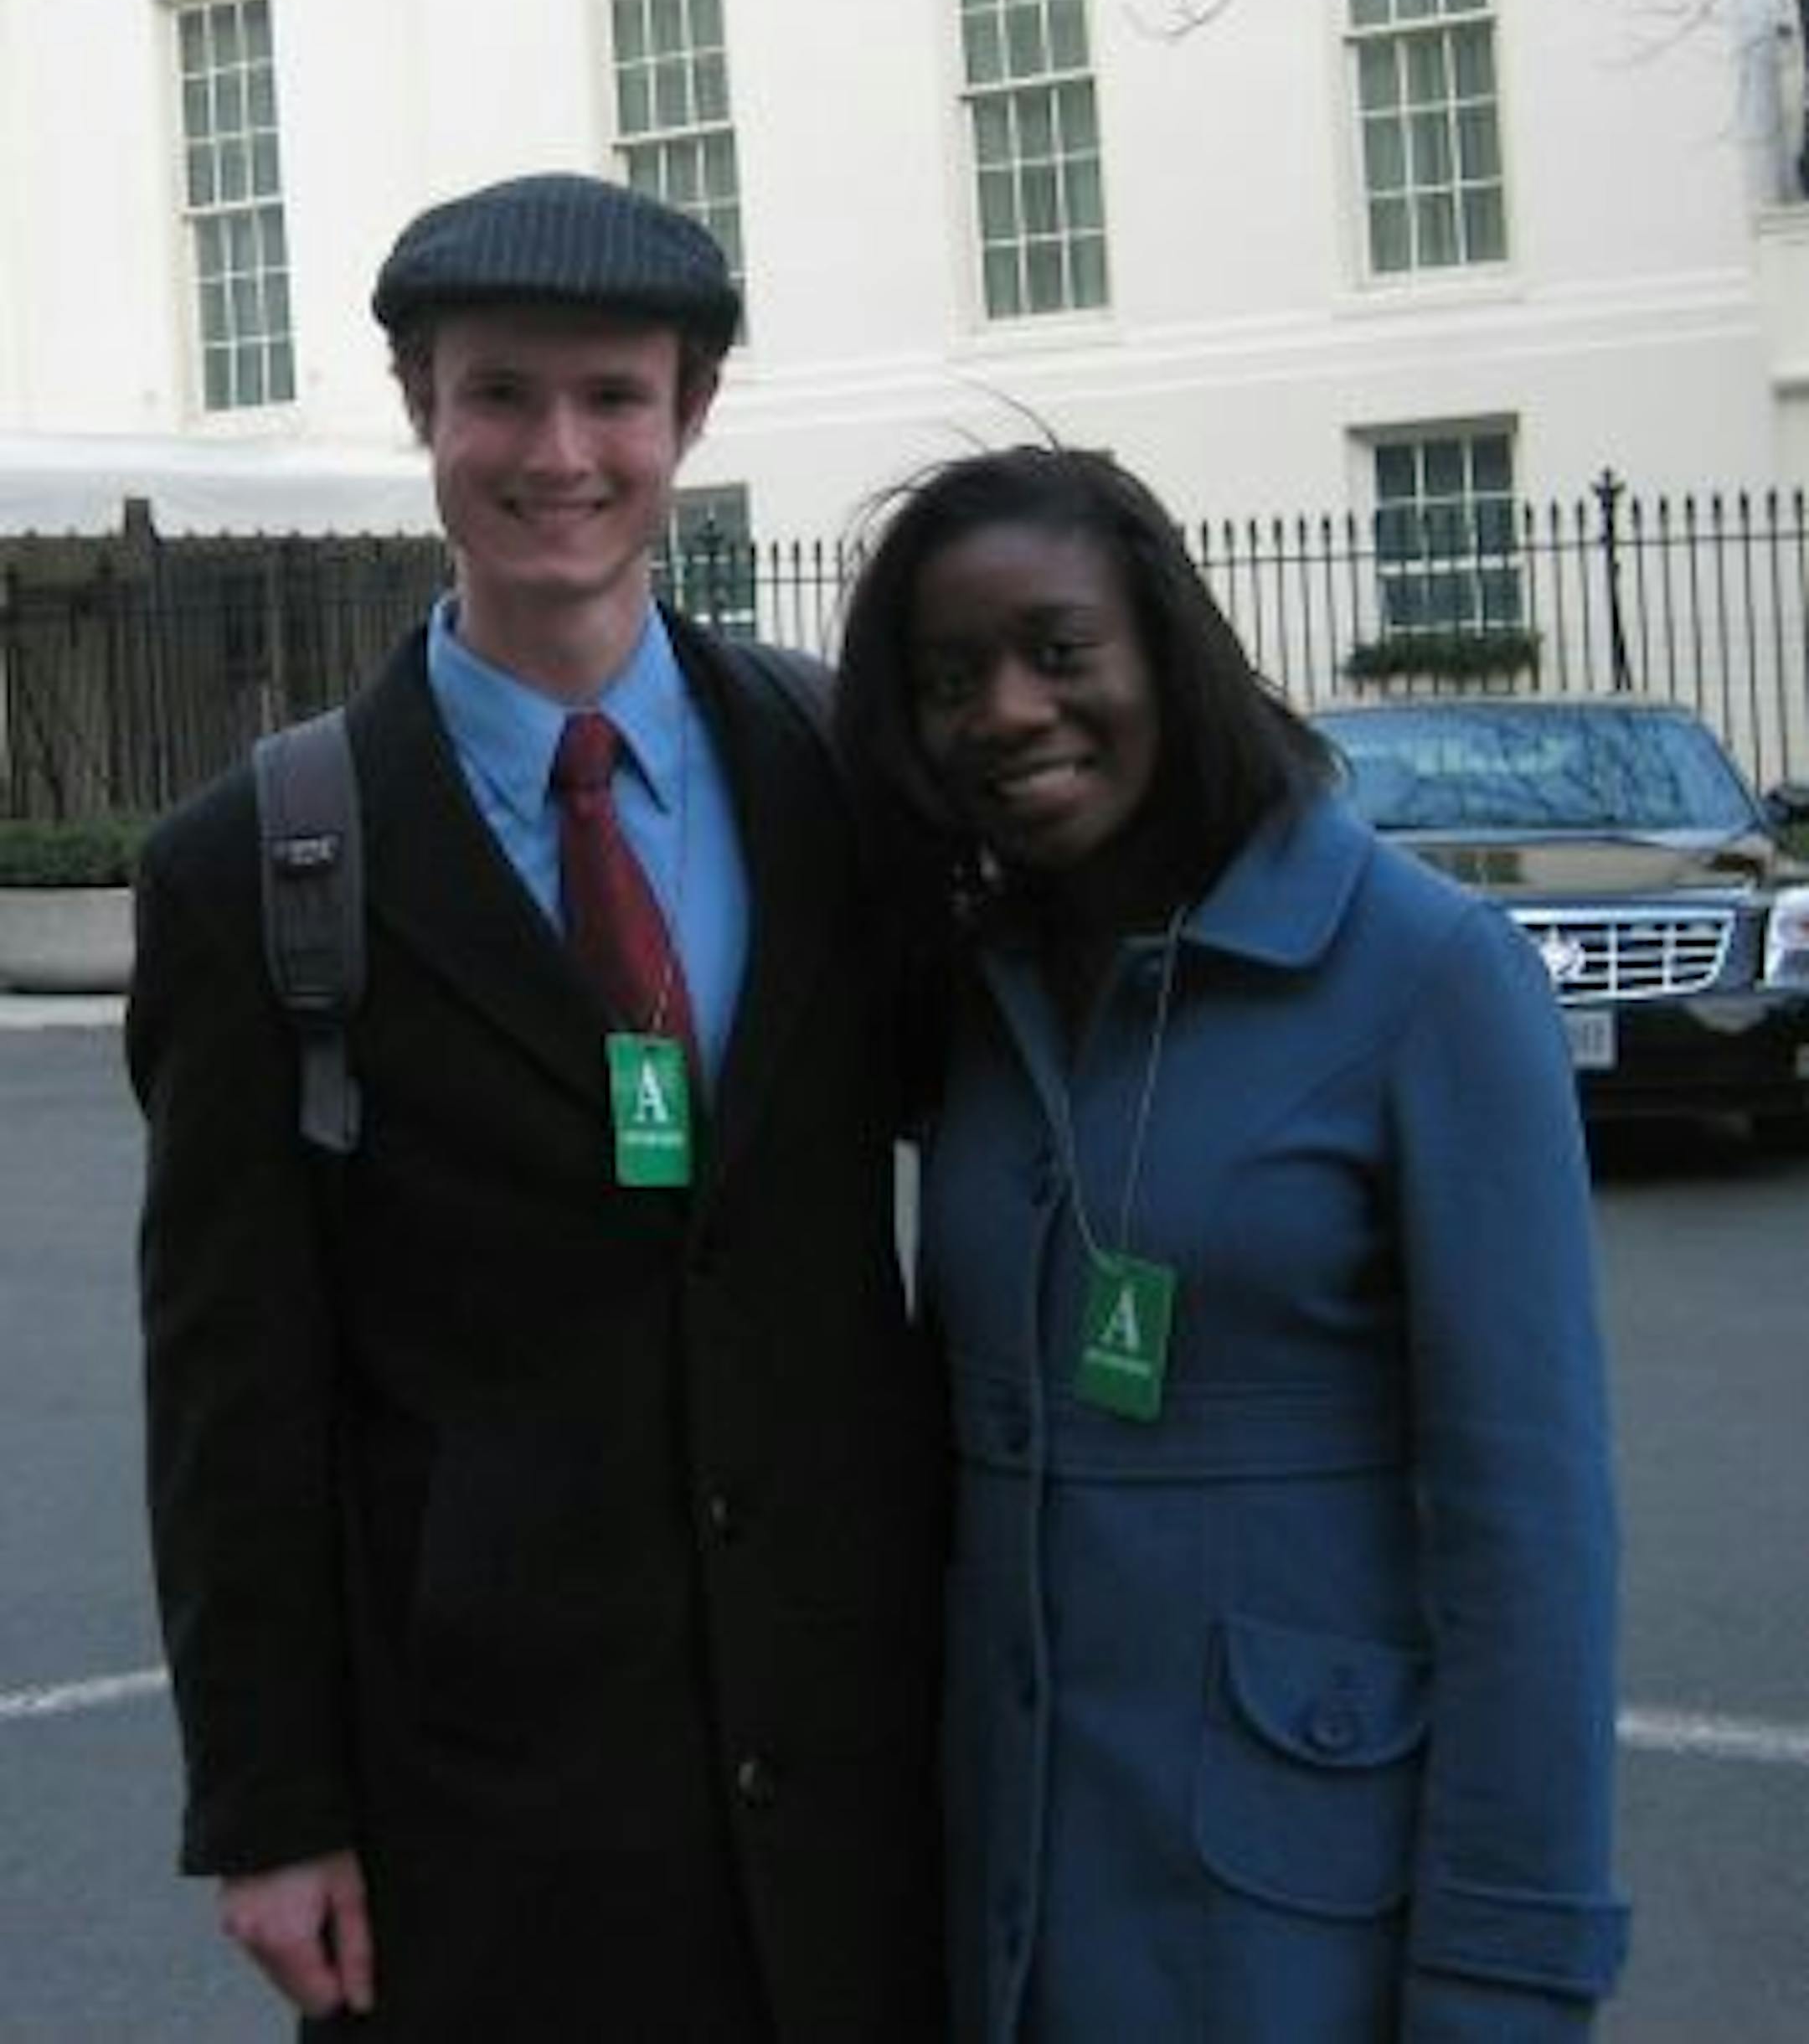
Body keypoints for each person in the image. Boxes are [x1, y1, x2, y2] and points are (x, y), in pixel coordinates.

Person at [130, 172, 946, 2043]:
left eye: (613, 397)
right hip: (478, 1822)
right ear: (423, 405)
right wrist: (269, 1812)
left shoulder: (844, 779)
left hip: (849, 1773)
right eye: (500, 393)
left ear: (692, 417)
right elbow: (230, 1391)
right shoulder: (255, 868)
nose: (557, 452)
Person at [832, 442, 1629, 2042]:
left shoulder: (1429, 978)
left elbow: (1529, 1532)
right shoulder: (979, 990)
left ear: (1168, 655)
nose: (1005, 708)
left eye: (1060, 651)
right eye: (948, 677)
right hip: (1001, 1901)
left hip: (1292, 1923)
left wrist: (1505, 1970)